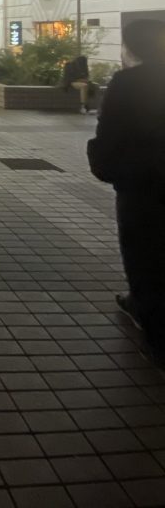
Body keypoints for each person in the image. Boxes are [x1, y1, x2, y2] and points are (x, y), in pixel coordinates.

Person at [87, 19, 165, 364]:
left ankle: (154, 336)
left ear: (130, 48)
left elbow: (110, 133)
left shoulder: (128, 82)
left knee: (143, 255)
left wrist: (102, 162)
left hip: (142, 184)